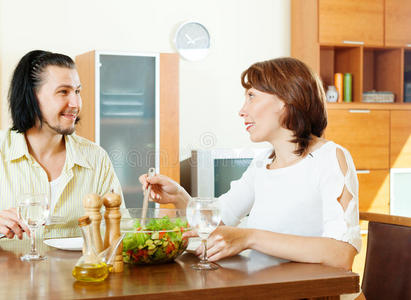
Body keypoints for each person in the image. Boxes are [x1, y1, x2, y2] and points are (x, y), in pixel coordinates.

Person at [140, 57, 361, 270]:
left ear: (286, 99)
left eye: (252, 96)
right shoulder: (262, 163)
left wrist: (250, 237)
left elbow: (341, 254)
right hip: (260, 288)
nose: (242, 110)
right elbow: (218, 223)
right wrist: (179, 196)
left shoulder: (331, 158)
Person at [0, 50, 122, 243]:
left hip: (77, 273)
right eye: (63, 92)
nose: (75, 103)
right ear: (32, 96)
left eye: (77, 91)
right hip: (9, 273)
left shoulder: (96, 157)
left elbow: (120, 229)